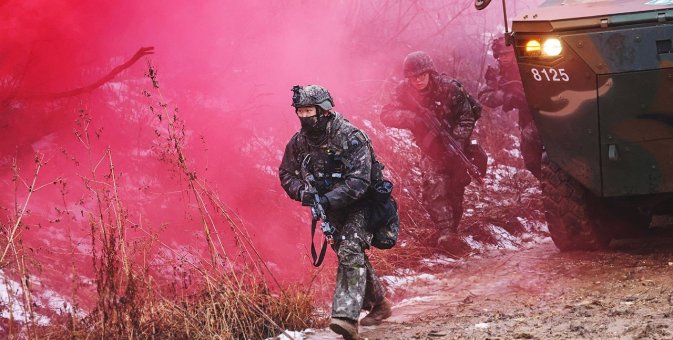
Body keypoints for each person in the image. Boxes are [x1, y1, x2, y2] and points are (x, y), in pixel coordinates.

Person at [279, 85, 392, 339]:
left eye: (309, 110)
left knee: (351, 249)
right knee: (349, 254)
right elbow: (286, 173)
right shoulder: (299, 142)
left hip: (363, 204)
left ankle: (346, 318)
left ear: (324, 110)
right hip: (331, 208)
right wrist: (303, 192)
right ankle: (380, 304)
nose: (304, 116)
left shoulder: (351, 137)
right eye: (300, 111)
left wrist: (327, 199)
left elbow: (360, 182)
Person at [380, 51, 482, 236]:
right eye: (413, 77)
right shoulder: (403, 91)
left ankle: (452, 229)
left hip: (455, 144)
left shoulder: (450, 89)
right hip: (430, 149)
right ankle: (445, 233)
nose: (418, 80)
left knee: (455, 191)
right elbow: (386, 114)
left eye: (422, 76)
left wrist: (458, 141)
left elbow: (467, 117)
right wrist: (412, 118)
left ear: (430, 73)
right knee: (433, 188)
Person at [480, 36, 543, 179]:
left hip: (550, 112)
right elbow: (484, 95)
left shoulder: (531, 64)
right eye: (500, 55)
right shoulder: (497, 71)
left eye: (506, 54)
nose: (503, 58)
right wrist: (507, 97)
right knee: (531, 159)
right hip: (528, 117)